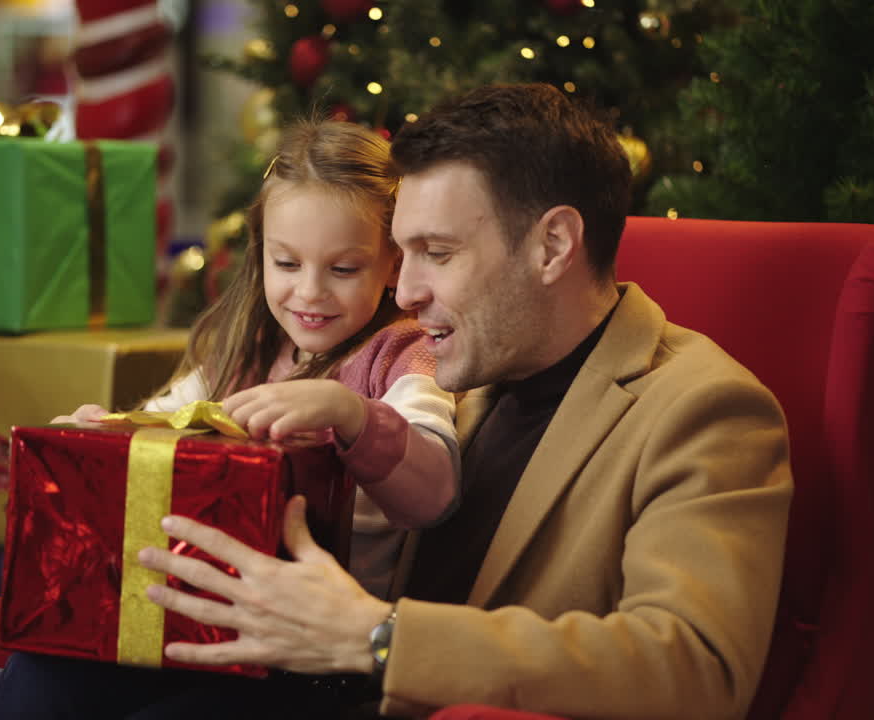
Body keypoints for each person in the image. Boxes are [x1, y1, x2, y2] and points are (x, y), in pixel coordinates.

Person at [132, 83, 793, 719]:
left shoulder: (705, 407)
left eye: (437, 254)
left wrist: (379, 637)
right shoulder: (458, 360)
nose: (405, 291)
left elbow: (698, 668)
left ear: (553, 245)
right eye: (400, 254)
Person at [0, 119, 460, 720]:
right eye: (286, 263)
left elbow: (433, 492)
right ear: (259, 254)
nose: (309, 291)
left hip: (298, 668)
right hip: (166, 634)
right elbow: (155, 431)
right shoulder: (242, 349)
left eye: (343, 269)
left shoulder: (401, 355)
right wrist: (103, 435)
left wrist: (350, 414)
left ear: (391, 265)